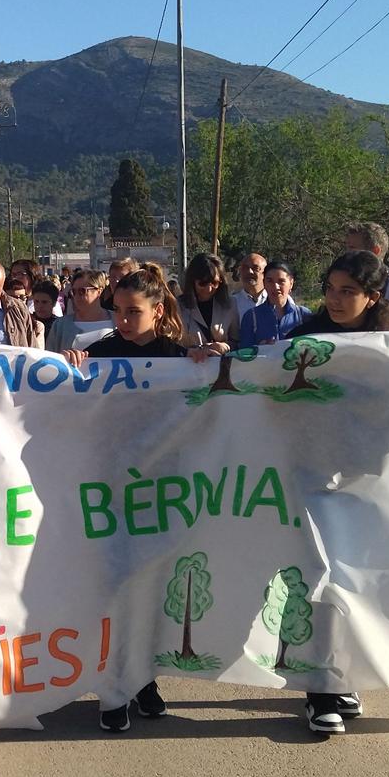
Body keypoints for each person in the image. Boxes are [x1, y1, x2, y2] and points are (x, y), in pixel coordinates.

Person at [59, 266, 215, 732]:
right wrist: (66, 365)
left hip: (163, 495)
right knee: (114, 591)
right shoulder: (99, 355)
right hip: (109, 493)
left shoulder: (180, 359)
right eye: (118, 311)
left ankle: (145, 681)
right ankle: (112, 690)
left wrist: (214, 356)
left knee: (152, 591)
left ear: (158, 310)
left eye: (134, 312)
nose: (123, 320)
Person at [281, 250, 389, 737]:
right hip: (310, 477)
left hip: (366, 482)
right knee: (319, 574)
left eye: (348, 291)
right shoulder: (303, 339)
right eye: (330, 288)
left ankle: (342, 673)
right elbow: (263, 377)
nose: (335, 298)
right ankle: (320, 689)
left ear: (372, 297)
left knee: (353, 577)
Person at [235, 261, 311, 347]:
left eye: (281, 281)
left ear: (291, 284)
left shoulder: (303, 315)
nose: (275, 287)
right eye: (270, 281)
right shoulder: (251, 317)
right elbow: (245, 353)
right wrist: (260, 348)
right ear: (264, 283)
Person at [180, 253, 242, 348]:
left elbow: (237, 342)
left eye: (214, 282)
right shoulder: (178, 306)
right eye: (202, 283)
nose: (209, 289)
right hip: (189, 362)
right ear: (192, 281)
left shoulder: (230, 304)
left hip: (219, 361)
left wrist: (224, 347)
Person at [46, 269, 114, 353]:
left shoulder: (117, 320)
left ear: (99, 291)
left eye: (82, 291)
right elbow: (51, 358)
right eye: (74, 292)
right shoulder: (61, 325)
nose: (77, 296)